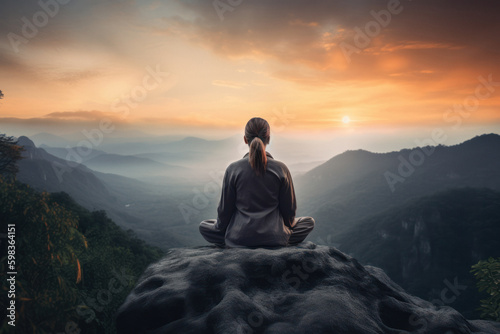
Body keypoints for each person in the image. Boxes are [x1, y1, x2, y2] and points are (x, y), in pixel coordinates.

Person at [199, 117, 315, 248]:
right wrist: (285, 228)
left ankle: (233, 238)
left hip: (239, 238)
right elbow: (289, 212)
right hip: (274, 238)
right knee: (308, 222)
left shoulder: (233, 169)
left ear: (245, 139)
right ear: (269, 139)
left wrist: (223, 229)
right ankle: (278, 238)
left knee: (204, 225)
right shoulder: (281, 169)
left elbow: (224, 212)